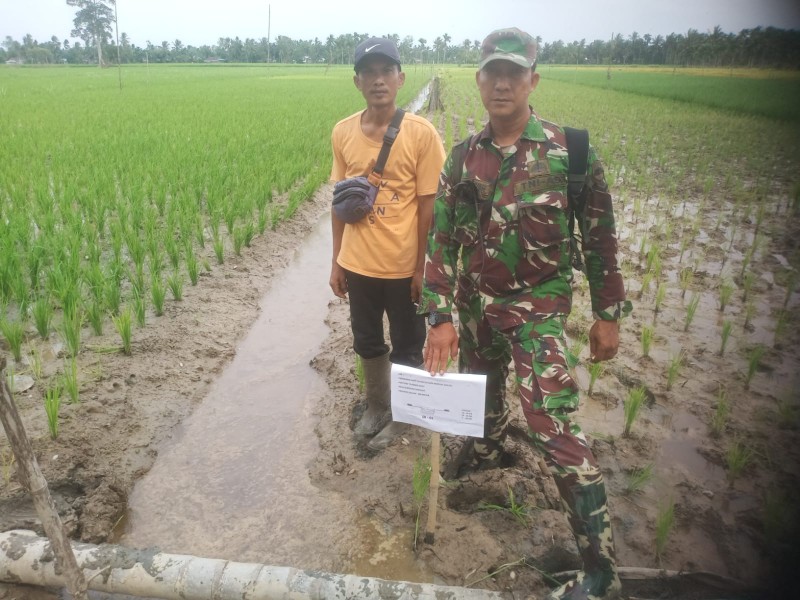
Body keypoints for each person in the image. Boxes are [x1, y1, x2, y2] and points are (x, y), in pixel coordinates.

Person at [420, 28, 631, 600]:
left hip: (536, 311)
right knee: (483, 388)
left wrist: (608, 313)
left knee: (553, 427)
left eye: (514, 73)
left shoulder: (570, 153)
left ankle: (601, 573)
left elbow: (600, 239)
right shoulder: (462, 157)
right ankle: (488, 450)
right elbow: (441, 242)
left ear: (533, 80)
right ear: (479, 80)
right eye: (493, 72)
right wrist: (439, 314)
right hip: (475, 307)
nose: (503, 83)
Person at [330, 37, 446, 452]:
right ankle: (378, 406)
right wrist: (336, 261)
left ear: (400, 79)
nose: (378, 80)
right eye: (369, 73)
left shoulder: (421, 134)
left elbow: (429, 208)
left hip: (402, 267)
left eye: (386, 72)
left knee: (408, 344)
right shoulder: (343, 131)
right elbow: (340, 203)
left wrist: (421, 269)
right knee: (366, 339)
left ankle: (404, 415)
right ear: (357, 81)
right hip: (358, 263)